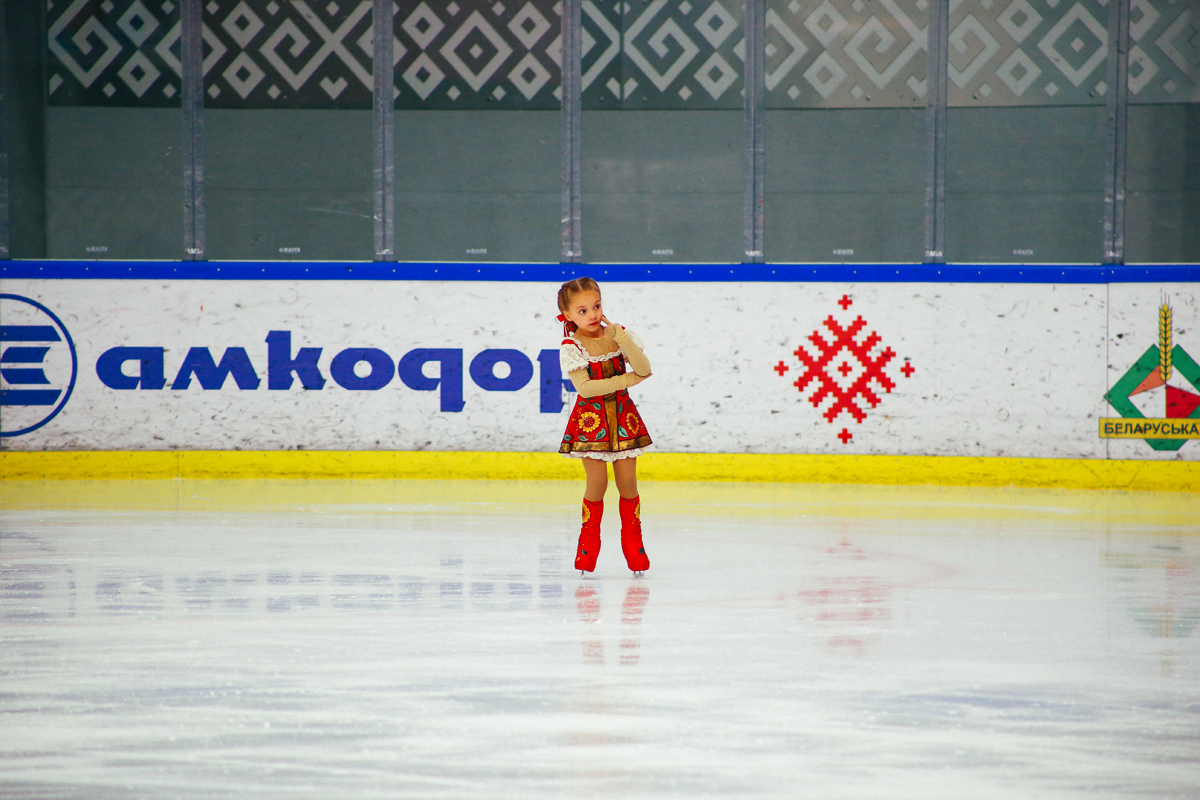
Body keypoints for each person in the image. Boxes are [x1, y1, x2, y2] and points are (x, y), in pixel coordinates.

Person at [556, 277, 653, 575]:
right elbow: (585, 389)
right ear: (568, 315)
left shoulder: (618, 335)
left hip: (623, 418)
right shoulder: (571, 346)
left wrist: (621, 338)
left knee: (628, 484)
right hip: (592, 423)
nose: (593, 314)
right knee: (597, 484)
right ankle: (586, 550)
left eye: (596, 306)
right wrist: (627, 380)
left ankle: (635, 550)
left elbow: (645, 368)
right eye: (582, 311)